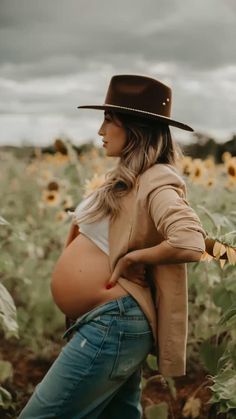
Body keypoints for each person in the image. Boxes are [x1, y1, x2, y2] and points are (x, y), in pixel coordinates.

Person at [18, 74, 207, 419]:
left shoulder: (158, 180)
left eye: (108, 119)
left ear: (135, 128)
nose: (100, 131)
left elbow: (190, 241)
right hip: (109, 322)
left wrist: (134, 257)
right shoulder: (125, 178)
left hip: (114, 323)